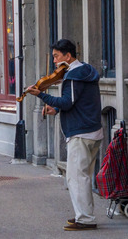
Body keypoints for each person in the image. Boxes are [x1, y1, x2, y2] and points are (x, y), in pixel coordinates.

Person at [27, 39, 102, 231]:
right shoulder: (86, 70)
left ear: (68, 56)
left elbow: (68, 102)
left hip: (80, 133)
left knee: (76, 178)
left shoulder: (74, 75)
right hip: (92, 130)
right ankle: (83, 215)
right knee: (83, 177)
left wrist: (40, 94)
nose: (54, 61)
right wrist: (57, 110)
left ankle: (85, 219)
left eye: (56, 56)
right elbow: (80, 102)